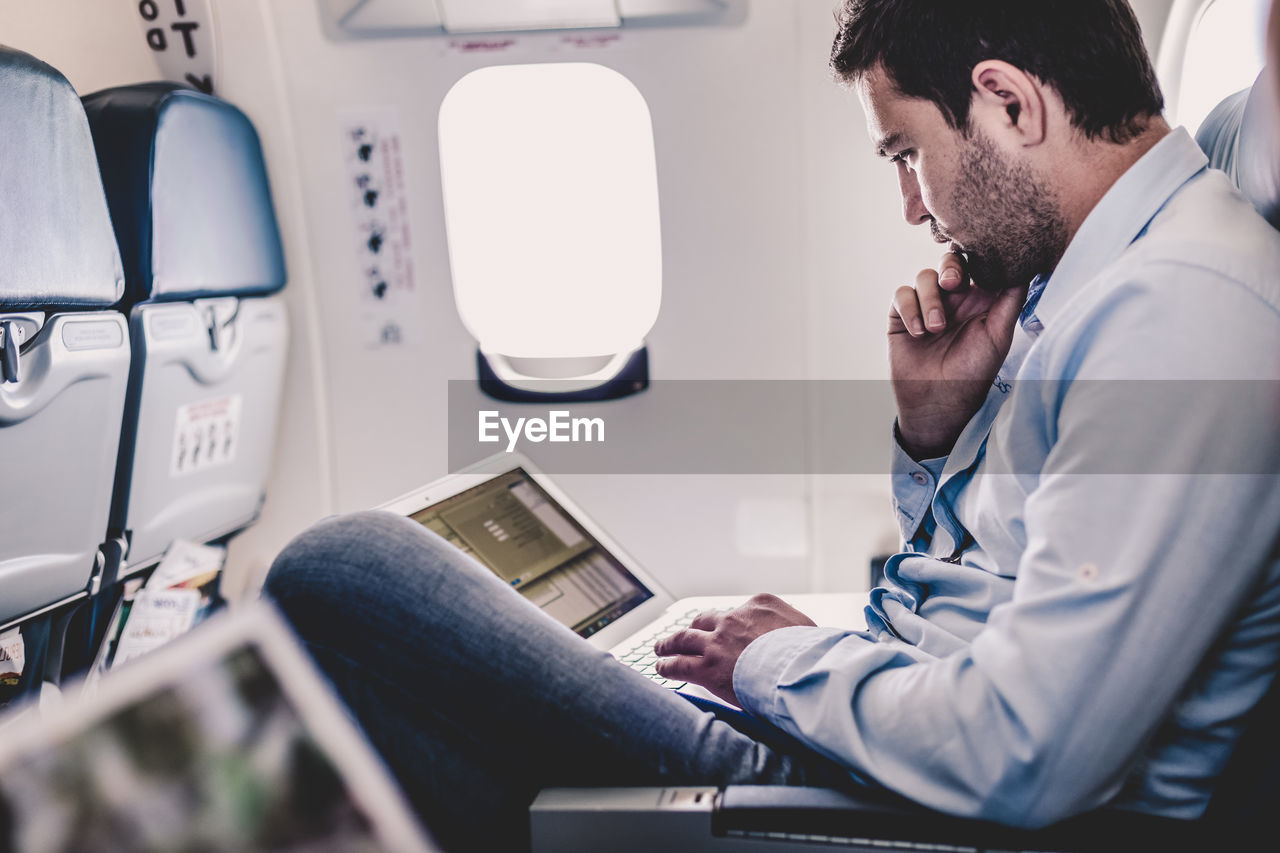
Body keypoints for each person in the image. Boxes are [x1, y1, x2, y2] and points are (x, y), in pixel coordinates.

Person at [264, 1, 1280, 849]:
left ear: (1007, 102)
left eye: (905, 154)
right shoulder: (1091, 277)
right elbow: (986, 589)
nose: (910, 209)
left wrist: (771, 664)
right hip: (888, 749)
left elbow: (1027, 750)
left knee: (342, 575)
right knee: (399, 730)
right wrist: (932, 439)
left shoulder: (1176, 312)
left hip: (931, 818)